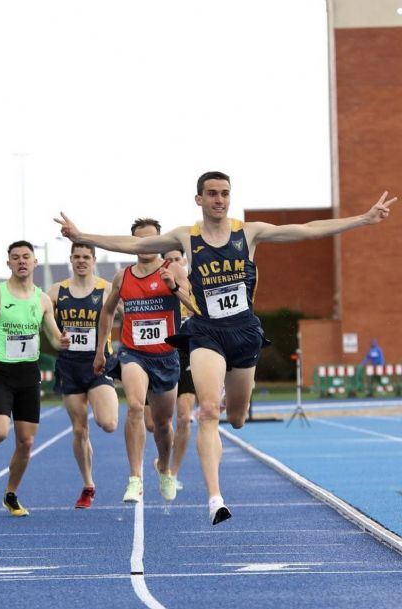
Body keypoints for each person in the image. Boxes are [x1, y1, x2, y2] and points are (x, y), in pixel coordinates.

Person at [56, 172, 396, 525]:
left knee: (235, 416)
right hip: (206, 333)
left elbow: (307, 228)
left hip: (244, 332)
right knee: (206, 410)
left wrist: (364, 219)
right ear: (199, 199)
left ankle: (228, 420)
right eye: (212, 194)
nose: (219, 199)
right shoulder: (185, 238)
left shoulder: (248, 232)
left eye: (225, 194)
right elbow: (133, 245)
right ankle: (215, 498)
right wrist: (83, 236)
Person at [0, 240, 70, 517]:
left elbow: (54, 338)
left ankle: (10, 494)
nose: (22, 261)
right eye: (16, 257)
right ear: (8, 263)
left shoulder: (43, 300)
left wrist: (63, 341)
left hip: (28, 375)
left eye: (26, 257)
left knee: (26, 442)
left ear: (35, 262)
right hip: (2, 373)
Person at [92, 218, 189, 504]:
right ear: (132, 243)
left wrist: (174, 289)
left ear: (161, 242)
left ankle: (164, 468)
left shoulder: (173, 269)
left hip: (166, 356)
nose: (146, 246)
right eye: (140, 241)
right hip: (133, 353)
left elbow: (195, 304)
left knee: (162, 424)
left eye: (152, 240)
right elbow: (107, 312)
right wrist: (101, 349)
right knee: (134, 406)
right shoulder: (123, 277)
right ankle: (135, 478)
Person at [47, 243, 119, 509]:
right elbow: (41, 317)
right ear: (70, 259)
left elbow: (130, 313)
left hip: (98, 363)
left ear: (94, 259)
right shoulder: (57, 291)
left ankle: (90, 481)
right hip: (70, 366)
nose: (81, 261)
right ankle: (88, 484)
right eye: (76, 257)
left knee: (109, 423)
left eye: (85, 257)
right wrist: (55, 338)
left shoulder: (106, 288)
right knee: (79, 429)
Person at [144, 248, 196, 492]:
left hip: (188, 355)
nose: (174, 263)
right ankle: (163, 461)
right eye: (169, 260)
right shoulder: (155, 284)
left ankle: (172, 472)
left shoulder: (195, 285)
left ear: (184, 261)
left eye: (177, 259)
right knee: (153, 424)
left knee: (185, 417)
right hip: (160, 354)